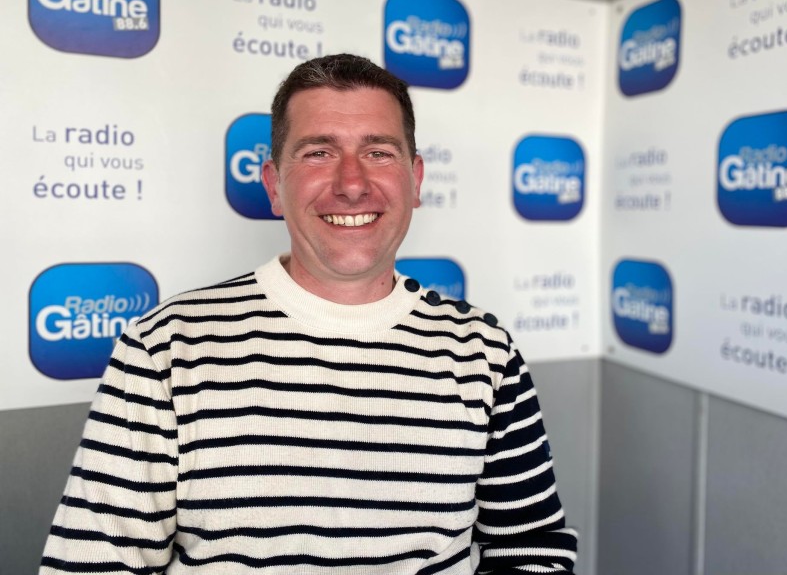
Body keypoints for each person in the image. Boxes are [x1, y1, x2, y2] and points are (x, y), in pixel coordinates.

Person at [41, 54, 578, 574]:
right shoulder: (165, 349)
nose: (351, 184)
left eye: (379, 152)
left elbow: (531, 549)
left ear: (415, 180)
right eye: (319, 153)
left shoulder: (484, 351)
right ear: (274, 185)